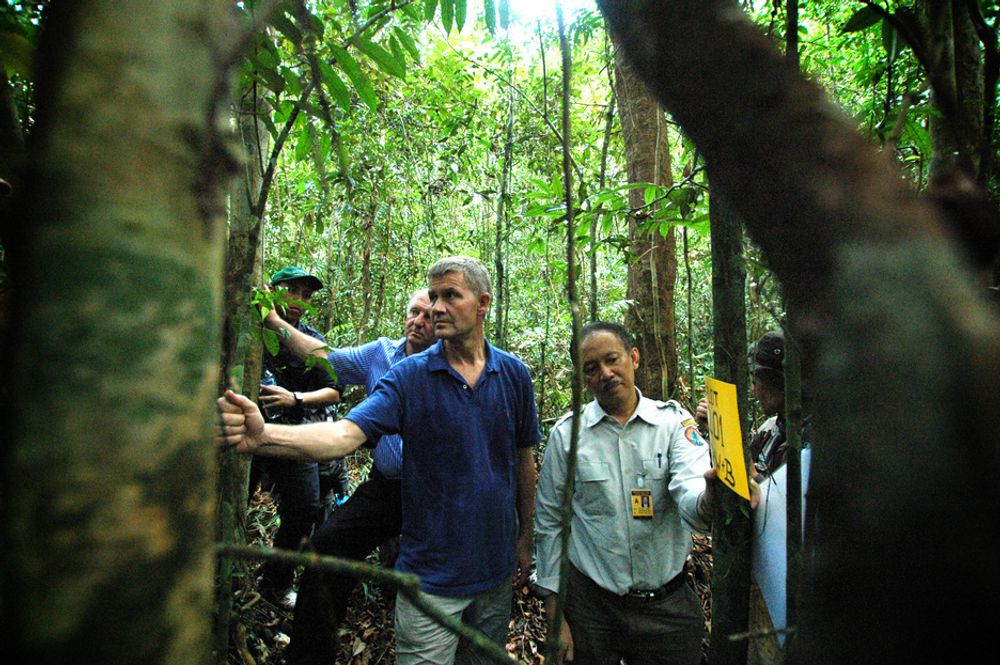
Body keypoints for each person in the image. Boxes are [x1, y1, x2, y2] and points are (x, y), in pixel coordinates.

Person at [217, 256, 540, 665]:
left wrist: (525, 537)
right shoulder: (401, 373)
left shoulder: (512, 375)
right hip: (400, 503)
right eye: (427, 302)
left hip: (483, 555)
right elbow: (343, 430)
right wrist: (264, 435)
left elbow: (522, 459)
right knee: (330, 549)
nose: (434, 311)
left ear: (482, 304)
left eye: (448, 297)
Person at [261, 287, 435, 664]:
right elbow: (326, 357)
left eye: (428, 316)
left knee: (427, 580)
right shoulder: (381, 354)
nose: (418, 322)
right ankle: (311, 655)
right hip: (387, 486)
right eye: (413, 313)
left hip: (435, 492)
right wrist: (275, 322)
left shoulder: (450, 363)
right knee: (327, 547)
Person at [534, 321, 723, 665]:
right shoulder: (567, 435)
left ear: (633, 358)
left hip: (666, 607)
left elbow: (691, 498)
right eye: (591, 368)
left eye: (612, 360)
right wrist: (554, 611)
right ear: (583, 378)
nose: (605, 373)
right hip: (592, 608)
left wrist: (712, 496)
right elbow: (550, 523)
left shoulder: (673, 424)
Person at [253, 266, 346, 610]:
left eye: (306, 295)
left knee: (304, 506)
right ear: (273, 290)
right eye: (291, 291)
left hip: (292, 433)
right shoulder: (249, 326)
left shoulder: (308, 339)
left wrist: (295, 398)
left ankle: (276, 583)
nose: (298, 300)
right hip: (244, 433)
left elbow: (336, 388)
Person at [745, 330, 787, 481]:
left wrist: (752, 476)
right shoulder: (768, 430)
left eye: (756, 382)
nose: (753, 390)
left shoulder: (814, 440)